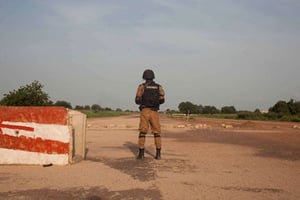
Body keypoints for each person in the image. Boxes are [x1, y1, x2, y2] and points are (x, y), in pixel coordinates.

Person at [135, 69, 165, 160]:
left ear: (144, 77)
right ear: (153, 76)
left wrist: (143, 100)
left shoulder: (142, 87)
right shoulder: (158, 87)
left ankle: (141, 154)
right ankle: (158, 154)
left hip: (145, 111)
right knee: (157, 133)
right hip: (154, 112)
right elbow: (162, 100)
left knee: (142, 132)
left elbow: (137, 100)